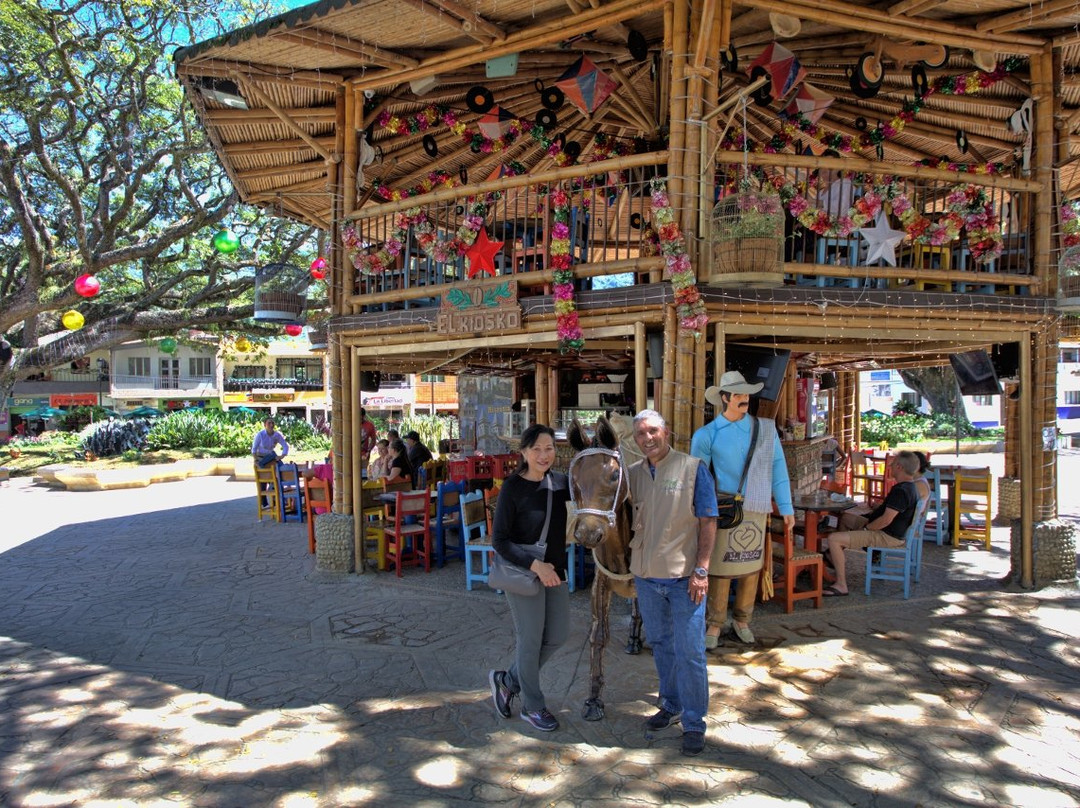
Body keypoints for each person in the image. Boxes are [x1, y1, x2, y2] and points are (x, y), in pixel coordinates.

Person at [627, 410, 718, 757]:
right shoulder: (633, 474)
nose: (647, 438)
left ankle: (694, 721)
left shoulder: (693, 468)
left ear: (667, 432)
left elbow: (709, 520)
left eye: (653, 431)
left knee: (691, 651)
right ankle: (671, 703)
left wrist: (702, 570)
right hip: (647, 577)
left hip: (685, 578)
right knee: (661, 644)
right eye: (640, 434)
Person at [691, 371, 794, 648]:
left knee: (751, 566)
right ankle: (715, 622)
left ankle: (743, 619)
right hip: (723, 506)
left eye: (746, 394)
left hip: (757, 505)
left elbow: (778, 468)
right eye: (737, 394)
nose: (743, 399)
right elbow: (698, 477)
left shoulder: (765, 429)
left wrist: (786, 506)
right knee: (720, 567)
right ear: (724, 398)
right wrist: (699, 510)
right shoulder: (706, 435)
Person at [487, 423, 571, 733]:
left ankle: (508, 681)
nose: (543, 454)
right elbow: (500, 540)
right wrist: (537, 566)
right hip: (523, 573)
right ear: (523, 452)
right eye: (536, 449)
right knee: (531, 640)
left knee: (559, 635)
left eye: (549, 448)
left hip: (555, 573)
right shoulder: (513, 487)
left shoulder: (562, 484)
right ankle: (533, 706)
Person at [824, 450, 921, 596]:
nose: (890, 466)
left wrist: (865, 529)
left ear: (900, 467)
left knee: (833, 539)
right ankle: (833, 556)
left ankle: (841, 584)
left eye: (893, 464)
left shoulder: (901, 491)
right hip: (885, 530)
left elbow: (885, 520)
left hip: (885, 535)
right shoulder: (910, 487)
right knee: (845, 518)